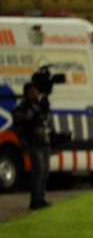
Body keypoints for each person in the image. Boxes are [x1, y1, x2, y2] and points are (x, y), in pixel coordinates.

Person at [12, 82, 52, 210]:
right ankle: (35, 200)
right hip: (33, 142)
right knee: (38, 170)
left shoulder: (41, 106)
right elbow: (21, 125)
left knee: (45, 171)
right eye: (32, 91)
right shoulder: (22, 108)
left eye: (36, 91)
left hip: (44, 141)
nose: (36, 93)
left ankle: (41, 197)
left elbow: (48, 122)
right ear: (26, 93)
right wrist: (24, 144)